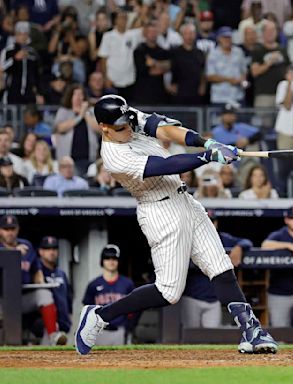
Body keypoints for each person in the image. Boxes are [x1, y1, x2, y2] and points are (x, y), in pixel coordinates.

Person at [76, 94, 277, 355]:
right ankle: (101, 314)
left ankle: (252, 331)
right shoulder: (114, 157)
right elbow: (166, 165)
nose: (128, 128)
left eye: (128, 122)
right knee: (168, 292)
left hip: (185, 201)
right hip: (159, 211)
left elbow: (168, 130)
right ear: (104, 128)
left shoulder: (129, 117)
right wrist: (208, 157)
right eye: (120, 127)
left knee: (220, 266)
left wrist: (208, 143)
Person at [0, 215, 66, 345]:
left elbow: (36, 270)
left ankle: (53, 336)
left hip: (22, 298)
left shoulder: (27, 245)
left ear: (18, 229)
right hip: (2, 300)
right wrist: (13, 252)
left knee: (44, 294)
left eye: (12, 229)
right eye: (6, 229)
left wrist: (39, 280)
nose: (10, 232)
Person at [181, 211, 252, 328]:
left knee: (211, 338)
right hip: (191, 298)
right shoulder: (188, 239)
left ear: (216, 223)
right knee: (189, 336)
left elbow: (247, 242)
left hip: (214, 300)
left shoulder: (223, 238)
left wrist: (239, 247)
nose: (209, 224)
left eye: (212, 221)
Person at [82, 245, 135, 345]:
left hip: (119, 330)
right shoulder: (93, 285)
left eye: (114, 258)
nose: (111, 261)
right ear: (102, 261)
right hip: (99, 332)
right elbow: (87, 311)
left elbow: (133, 310)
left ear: (118, 261)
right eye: (107, 258)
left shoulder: (128, 284)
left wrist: (129, 327)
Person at [53, 84, 100, 176]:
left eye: (81, 94)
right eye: (75, 94)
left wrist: (85, 114)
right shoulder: (63, 111)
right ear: (70, 97)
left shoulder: (91, 111)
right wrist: (79, 117)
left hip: (89, 158)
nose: (78, 97)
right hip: (68, 160)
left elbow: (99, 129)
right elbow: (61, 128)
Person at [97, 9, 143, 100]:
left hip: (130, 80)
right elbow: (103, 59)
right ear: (115, 20)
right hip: (113, 80)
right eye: (121, 18)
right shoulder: (108, 36)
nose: (123, 20)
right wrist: (105, 78)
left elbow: (144, 26)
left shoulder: (133, 35)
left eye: (125, 18)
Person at [250, 20, 290, 111]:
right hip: (264, 94)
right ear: (263, 33)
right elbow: (254, 72)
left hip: (281, 94)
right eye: (268, 31)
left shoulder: (282, 49)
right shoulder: (257, 50)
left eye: (273, 31)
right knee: (264, 123)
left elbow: (288, 69)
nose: (270, 33)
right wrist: (269, 63)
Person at [38, 236, 72, 340]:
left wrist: (68, 318)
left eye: (54, 249)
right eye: (47, 249)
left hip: (63, 323)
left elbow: (68, 297)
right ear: (41, 252)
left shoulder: (61, 273)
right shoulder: (37, 272)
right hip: (45, 325)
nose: (51, 252)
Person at [0, 21, 41, 104]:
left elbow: (37, 74)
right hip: (12, 92)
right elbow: (2, 68)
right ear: (16, 35)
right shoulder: (8, 51)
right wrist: (15, 59)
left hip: (29, 94)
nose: (23, 36)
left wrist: (39, 93)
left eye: (25, 33)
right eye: (20, 33)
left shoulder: (32, 52)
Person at [205, 26, 247, 106]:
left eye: (229, 37)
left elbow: (244, 71)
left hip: (237, 96)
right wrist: (229, 80)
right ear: (219, 39)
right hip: (219, 98)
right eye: (224, 37)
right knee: (217, 119)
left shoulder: (239, 52)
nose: (227, 40)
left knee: (241, 118)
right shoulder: (213, 54)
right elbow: (210, 76)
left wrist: (242, 80)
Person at [132, 21, 170, 105]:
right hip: (143, 94)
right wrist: (161, 66)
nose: (153, 34)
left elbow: (168, 67)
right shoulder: (139, 50)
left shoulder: (163, 51)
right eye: (150, 32)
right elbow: (145, 70)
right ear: (145, 34)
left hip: (159, 94)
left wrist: (154, 63)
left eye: (155, 32)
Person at [168, 23, 205, 106]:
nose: (189, 36)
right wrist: (169, 85)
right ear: (182, 35)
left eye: (191, 33)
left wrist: (203, 85)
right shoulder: (175, 52)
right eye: (186, 33)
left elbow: (203, 70)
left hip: (195, 92)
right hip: (179, 91)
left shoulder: (200, 53)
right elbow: (168, 69)